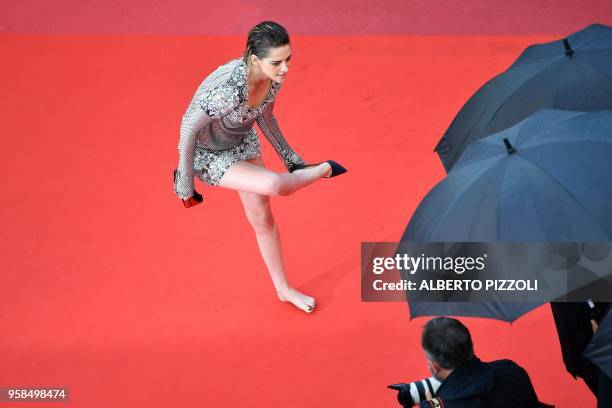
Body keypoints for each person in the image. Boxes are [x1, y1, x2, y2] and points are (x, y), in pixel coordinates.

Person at [172, 21, 346, 313]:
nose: (285, 68)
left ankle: (283, 289)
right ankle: (324, 169)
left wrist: (291, 159)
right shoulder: (228, 89)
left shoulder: (272, 79)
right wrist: (184, 182)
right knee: (276, 185)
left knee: (262, 218)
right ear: (254, 59)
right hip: (207, 153)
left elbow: (266, 118)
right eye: (277, 62)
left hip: (241, 139)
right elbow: (189, 127)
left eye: (288, 59)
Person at [389, 317, 550, 407]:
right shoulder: (512, 371)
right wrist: (414, 391)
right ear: (470, 347)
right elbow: (473, 383)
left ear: (434, 366)